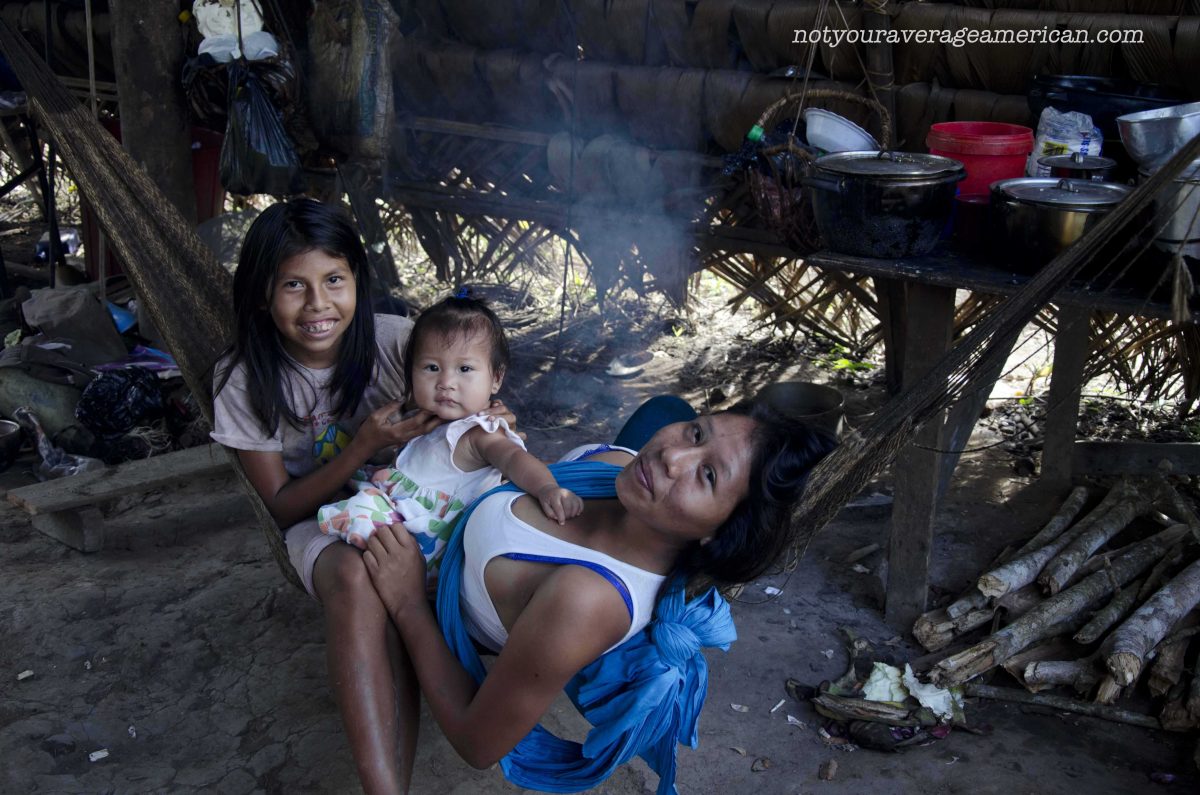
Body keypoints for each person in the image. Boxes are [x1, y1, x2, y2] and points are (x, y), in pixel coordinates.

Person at [362, 398, 836, 792]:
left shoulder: (584, 599)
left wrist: (407, 603)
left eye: (708, 475)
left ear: (720, 533)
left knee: (348, 578)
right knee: (663, 406)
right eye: (696, 433)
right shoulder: (622, 475)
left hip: (483, 600)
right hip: (486, 529)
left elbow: (477, 745)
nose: (672, 457)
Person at [209, 198, 517, 792]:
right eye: (294, 285)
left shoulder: (399, 342)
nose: (318, 305)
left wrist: (491, 417)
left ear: (357, 281)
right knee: (358, 575)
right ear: (262, 293)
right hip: (320, 521)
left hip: (420, 507)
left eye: (333, 281)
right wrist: (359, 446)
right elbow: (282, 506)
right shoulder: (244, 379)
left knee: (407, 567)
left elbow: (473, 379)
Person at [317, 293, 582, 585]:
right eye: (431, 368)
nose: (445, 382)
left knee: (362, 509)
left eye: (464, 369)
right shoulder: (426, 419)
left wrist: (547, 488)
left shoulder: (479, 432)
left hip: (429, 541)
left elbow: (515, 459)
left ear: (496, 378)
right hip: (404, 517)